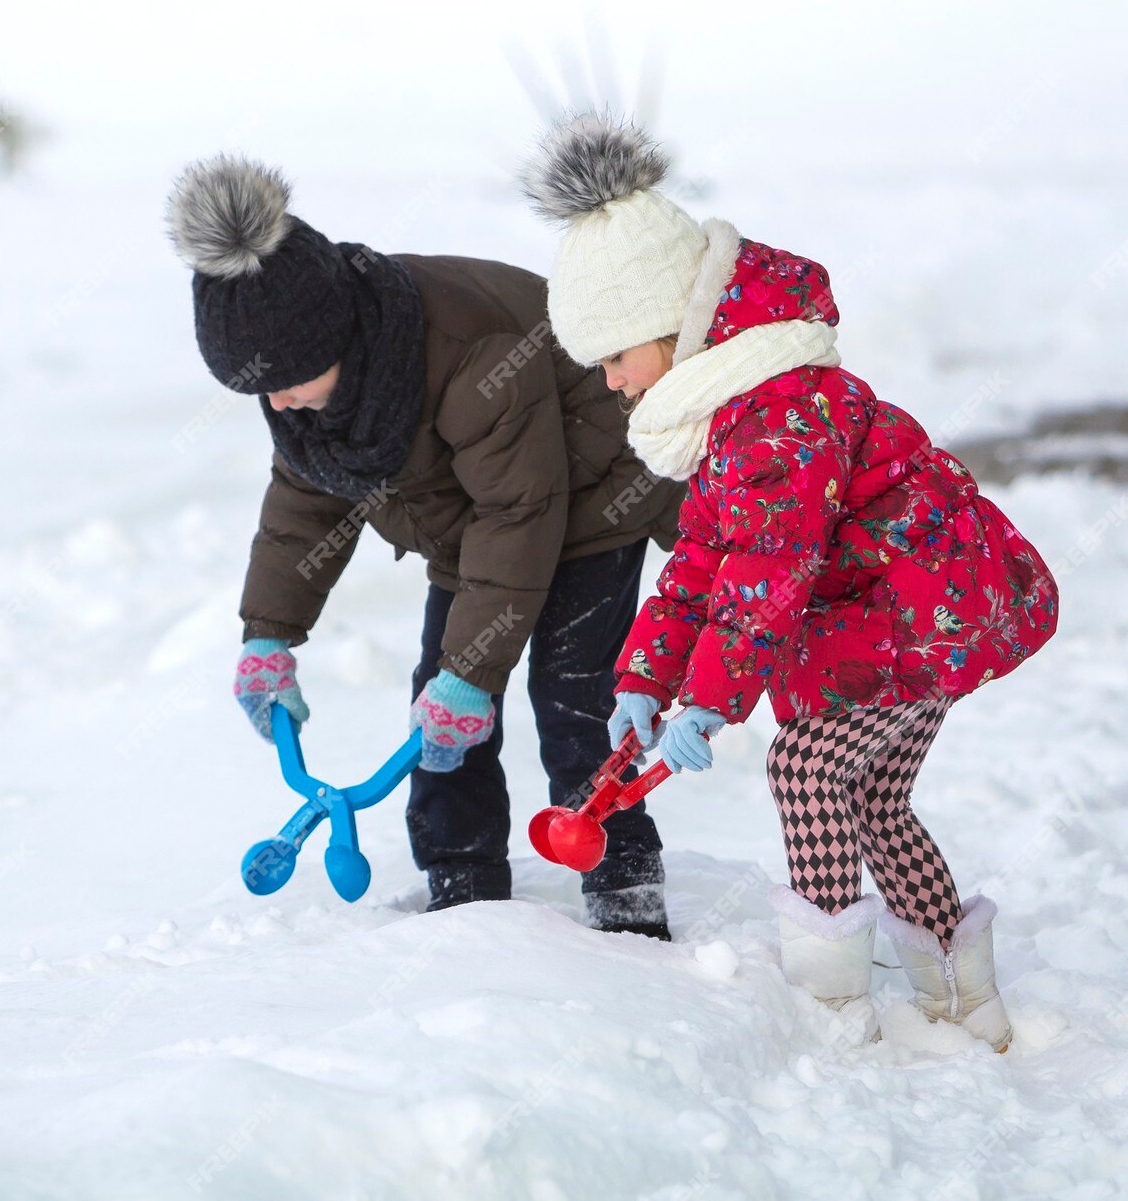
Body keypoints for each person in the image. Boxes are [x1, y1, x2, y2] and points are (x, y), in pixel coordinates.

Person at [517, 114, 1060, 1047]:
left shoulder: (777, 413)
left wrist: (711, 704)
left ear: (669, 327)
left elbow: (769, 569)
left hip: (927, 615)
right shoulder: (730, 411)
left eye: (613, 356)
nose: (609, 382)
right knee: (873, 797)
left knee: (805, 766)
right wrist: (648, 681)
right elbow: (700, 561)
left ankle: (834, 1006)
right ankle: (964, 1000)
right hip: (910, 614)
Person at [168, 153, 686, 936]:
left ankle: (624, 891)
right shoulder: (314, 388)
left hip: (588, 497)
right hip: (475, 527)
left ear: (332, 340)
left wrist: (474, 671)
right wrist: (268, 635)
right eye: (261, 391)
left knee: (575, 697)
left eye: (286, 382)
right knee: (439, 709)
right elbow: (304, 502)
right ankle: (461, 882)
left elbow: (522, 510)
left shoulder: (469, 353)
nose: (277, 404)